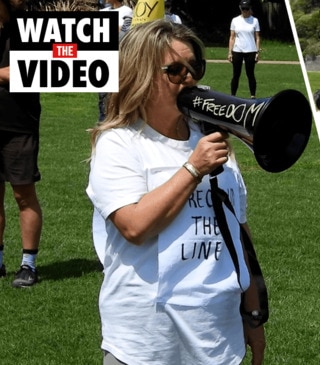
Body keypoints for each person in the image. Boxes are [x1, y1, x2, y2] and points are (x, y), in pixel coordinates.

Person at [86, 20, 264, 364]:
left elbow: (239, 235)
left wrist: (253, 316)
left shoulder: (212, 142)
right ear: (139, 74)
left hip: (218, 337)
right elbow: (134, 226)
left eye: (194, 67)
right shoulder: (119, 143)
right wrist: (193, 169)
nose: (189, 78)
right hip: (145, 342)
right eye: (174, 70)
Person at [0, 0, 42, 288]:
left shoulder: (31, 29)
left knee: (23, 195)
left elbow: (28, 72)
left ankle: (28, 265)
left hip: (19, 126)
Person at [98, 0, 133, 122]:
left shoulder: (127, 11)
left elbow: (125, 35)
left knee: (115, 99)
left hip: (119, 61)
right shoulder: (102, 11)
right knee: (103, 101)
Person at [228, 0, 261, 99]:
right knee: (236, 74)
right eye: (243, 9)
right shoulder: (235, 20)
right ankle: (233, 96)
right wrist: (230, 52)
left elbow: (257, 37)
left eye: (247, 9)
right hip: (237, 50)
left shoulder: (254, 20)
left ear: (250, 8)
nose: (245, 11)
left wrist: (257, 52)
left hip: (251, 50)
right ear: (240, 8)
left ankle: (253, 96)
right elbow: (232, 37)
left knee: (250, 74)